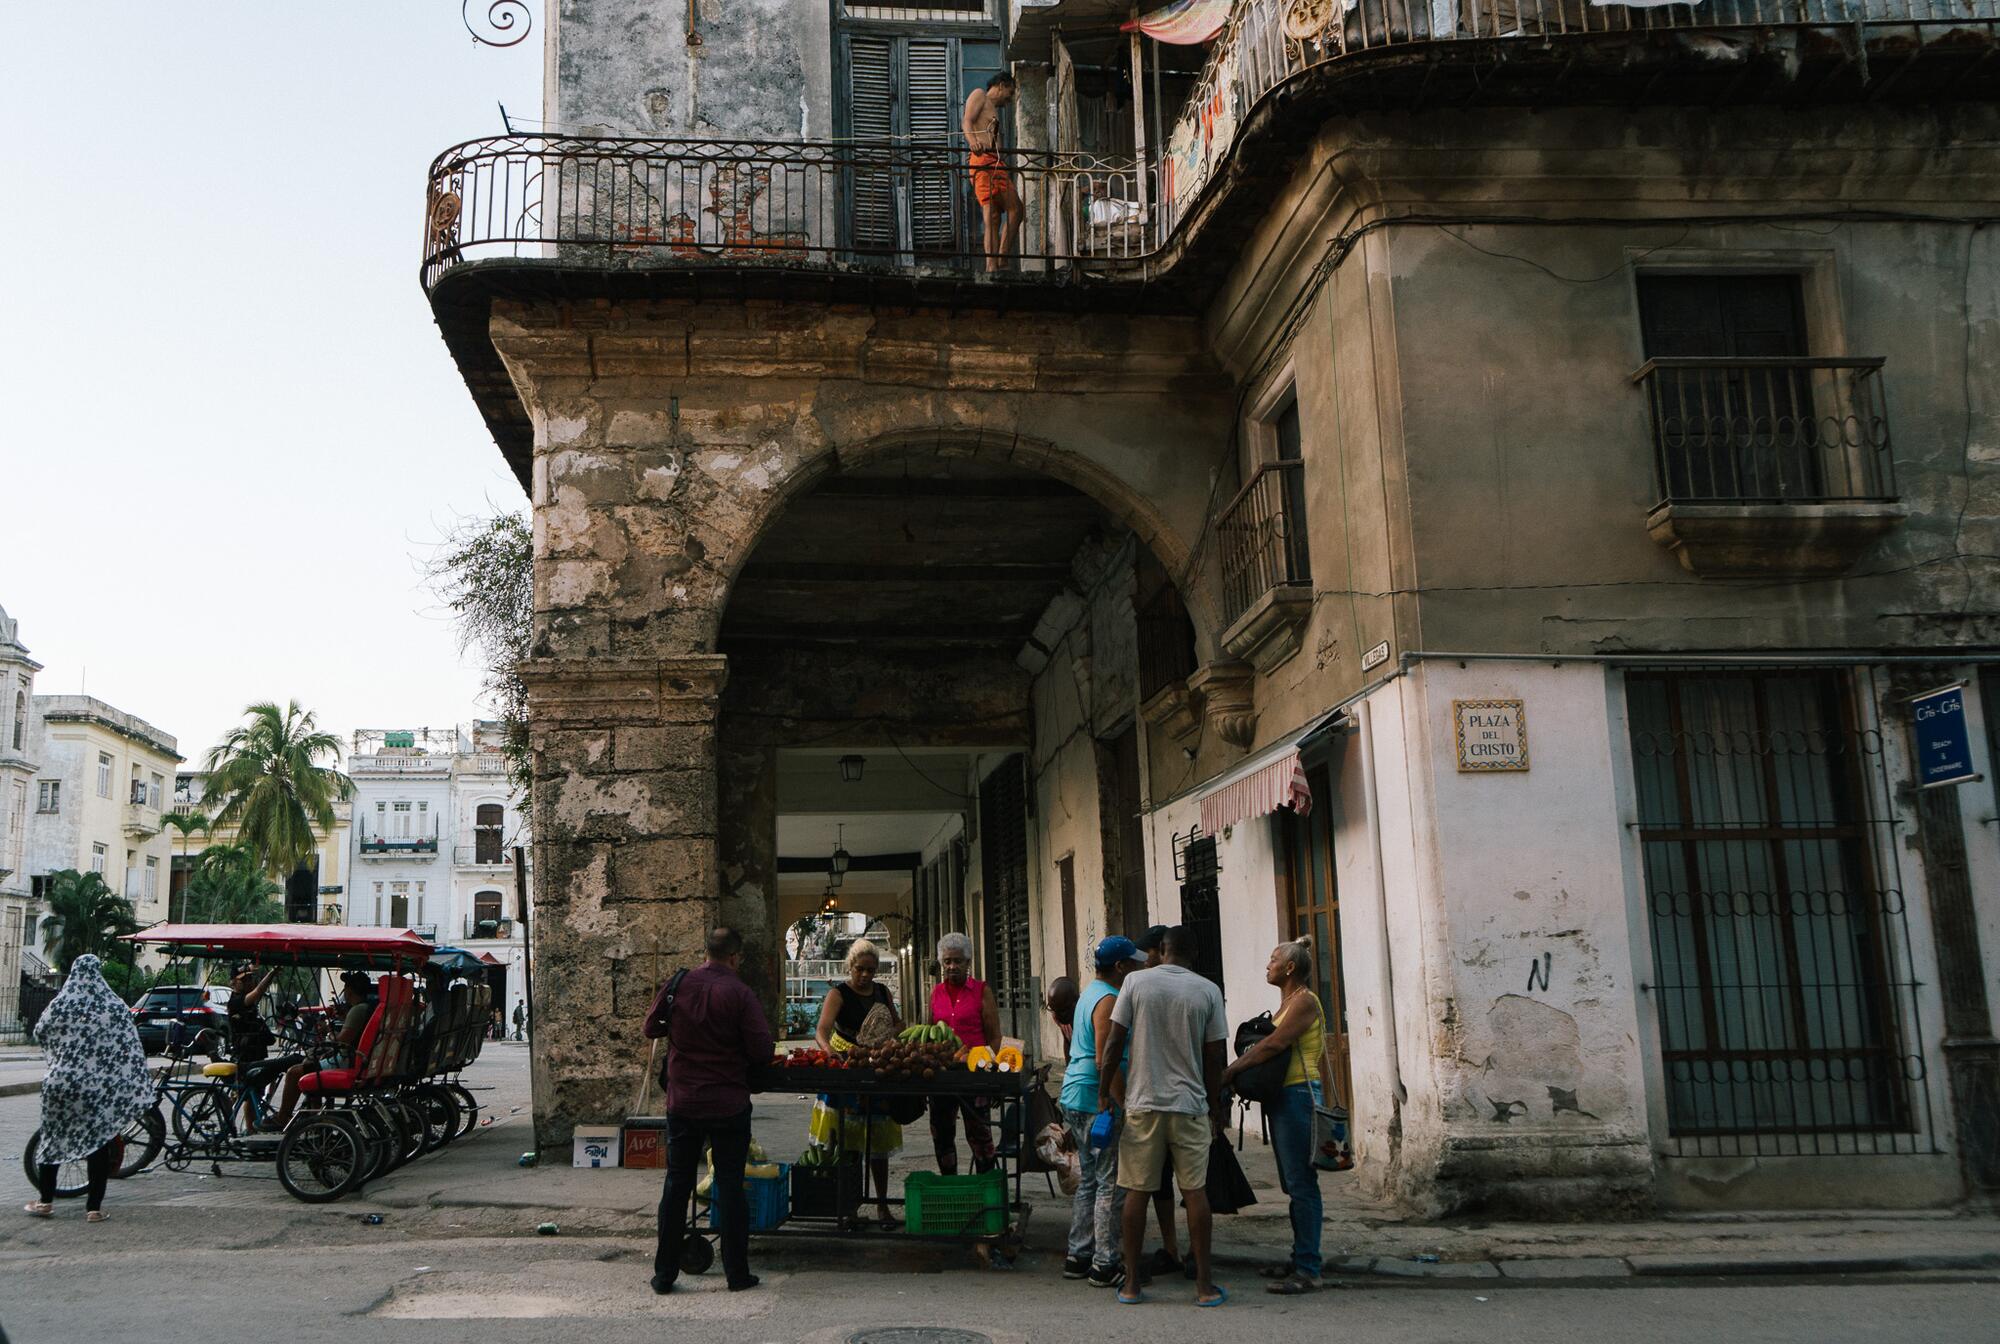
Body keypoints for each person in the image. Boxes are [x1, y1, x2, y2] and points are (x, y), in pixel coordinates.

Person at [1099, 925, 1229, 1308]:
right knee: (1195, 1194)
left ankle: (1132, 1285)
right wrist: (1216, 1109)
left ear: (1162, 949)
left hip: (1143, 1103)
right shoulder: (1208, 991)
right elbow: (1215, 1058)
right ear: (1195, 955)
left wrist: (1104, 1091)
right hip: (1189, 1106)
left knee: (1137, 1192)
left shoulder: (1136, 984)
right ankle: (1204, 1287)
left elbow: (1113, 1043)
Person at [645, 926, 774, 1295]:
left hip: (683, 1102)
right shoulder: (740, 993)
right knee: (731, 1185)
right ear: (735, 957)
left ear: (707, 952)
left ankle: (664, 1274)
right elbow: (762, 1051)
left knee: (677, 1184)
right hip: (728, 1103)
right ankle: (737, 1274)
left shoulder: (679, 983)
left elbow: (651, 1027)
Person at [1222, 937, 1334, 1295]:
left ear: (1289, 968)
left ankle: (1308, 1268)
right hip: (1285, 1097)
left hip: (1298, 1096)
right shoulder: (1288, 1002)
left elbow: (1273, 1045)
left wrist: (1231, 1070)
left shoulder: (1305, 1002)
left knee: (1301, 1184)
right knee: (1293, 1182)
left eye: (1273, 960)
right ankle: (1300, 1257)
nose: (1267, 965)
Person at [24, 955, 154, 1222]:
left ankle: (45, 1202)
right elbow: (129, 1043)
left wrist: (60, 1053)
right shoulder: (113, 1005)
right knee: (98, 1144)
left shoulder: (61, 1003)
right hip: (97, 1089)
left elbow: (39, 1031)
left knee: (52, 1140)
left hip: (60, 1084)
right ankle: (93, 1209)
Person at [1059, 937, 1141, 1287]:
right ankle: (1104, 1262)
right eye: (1132, 964)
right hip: (1097, 1097)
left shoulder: (1089, 993)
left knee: (1089, 1179)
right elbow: (1104, 1058)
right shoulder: (1108, 1000)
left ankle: (1078, 1255)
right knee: (1109, 1181)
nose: (1137, 969)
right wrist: (1121, 1102)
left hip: (1077, 1094)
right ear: (1120, 967)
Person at [811, 939, 902, 1227]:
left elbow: (898, 1023)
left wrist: (889, 1033)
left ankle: (883, 1207)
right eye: (860, 969)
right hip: (846, 1069)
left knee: (878, 1144)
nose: (865, 975)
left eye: (871, 970)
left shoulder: (882, 993)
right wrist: (831, 1055)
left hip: (876, 1069)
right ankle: (847, 1207)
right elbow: (822, 1032)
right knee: (846, 1145)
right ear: (850, 966)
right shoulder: (838, 994)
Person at [1132, 924, 1188, 1281]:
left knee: (1149, 1184)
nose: (1141, 963)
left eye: (1145, 956)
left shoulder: (1143, 988)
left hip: (1157, 1098)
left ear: (1159, 951)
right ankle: (1174, 1250)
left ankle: (1133, 1276)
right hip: (1181, 1097)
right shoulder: (1144, 988)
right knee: (1168, 1183)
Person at [928, 932, 1001, 1175]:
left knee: (980, 1134)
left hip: (975, 1073)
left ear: (968, 963)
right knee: (942, 1133)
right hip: (943, 1075)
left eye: (958, 961)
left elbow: (994, 1036)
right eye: (947, 961)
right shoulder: (935, 993)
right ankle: (950, 1186)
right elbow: (929, 1032)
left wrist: (992, 1074)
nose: (952, 966)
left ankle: (985, 1189)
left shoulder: (981, 991)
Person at [267, 971, 375, 1130]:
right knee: (309, 1064)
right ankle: (313, 1115)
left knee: (293, 1072)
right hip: (355, 1059)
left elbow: (343, 1040)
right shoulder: (365, 1008)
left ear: (350, 990)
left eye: (346, 987)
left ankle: (283, 1117)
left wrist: (328, 1032)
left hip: (346, 1062)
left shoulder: (358, 1010)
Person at [961, 72, 1022, 273]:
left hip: (992, 163)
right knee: (1015, 209)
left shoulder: (993, 109)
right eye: (1010, 93)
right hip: (984, 161)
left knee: (994, 216)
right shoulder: (980, 95)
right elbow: (967, 121)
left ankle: (992, 265)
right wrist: (973, 143)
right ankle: (1000, 259)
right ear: (1001, 85)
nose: (1010, 98)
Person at [1045, 976, 1078, 1058]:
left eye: (1060, 1010)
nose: (1055, 1015)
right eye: (1053, 1010)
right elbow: (1067, 1041)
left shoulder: (1085, 1020)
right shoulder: (1060, 1017)